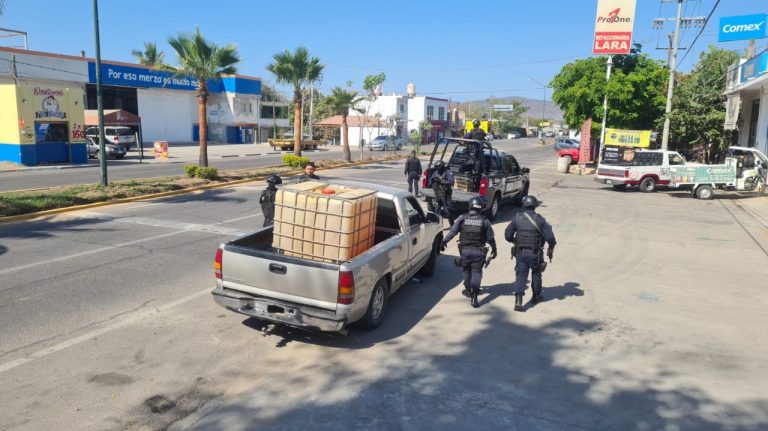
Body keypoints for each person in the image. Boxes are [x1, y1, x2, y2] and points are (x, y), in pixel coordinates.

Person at [441, 197, 497, 308]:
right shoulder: (485, 221)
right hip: (479, 252)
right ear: (480, 208)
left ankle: (468, 289)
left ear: (470, 206)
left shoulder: (462, 218)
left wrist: (443, 242)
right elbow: (490, 238)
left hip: (465, 251)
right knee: (476, 272)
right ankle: (475, 296)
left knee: (466, 270)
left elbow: (452, 232)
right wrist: (494, 249)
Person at [504, 195, 556, 312]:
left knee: (521, 275)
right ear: (535, 206)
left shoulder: (516, 218)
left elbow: (507, 235)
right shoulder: (540, 220)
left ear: (524, 205)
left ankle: (518, 301)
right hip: (535, 253)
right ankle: (536, 296)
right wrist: (551, 247)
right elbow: (551, 238)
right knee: (536, 274)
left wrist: (515, 241)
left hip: (520, 252)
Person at [463, 119, 487, 189]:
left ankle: (474, 184)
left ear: (473, 125)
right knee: (479, 171)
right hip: (479, 154)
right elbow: (485, 136)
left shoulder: (471, 132)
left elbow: (465, 137)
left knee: (474, 170)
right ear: (479, 125)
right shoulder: (482, 131)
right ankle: (476, 186)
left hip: (473, 153)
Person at [430, 160, 455, 226]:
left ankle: (452, 225)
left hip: (446, 195)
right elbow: (431, 180)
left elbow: (451, 182)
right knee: (437, 210)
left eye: (439, 168)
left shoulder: (448, 173)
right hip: (438, 194)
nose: (438, 170)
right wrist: (433, 181)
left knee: (448, 211)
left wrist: (442, 181)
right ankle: (439, 226)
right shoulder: (436, 173)